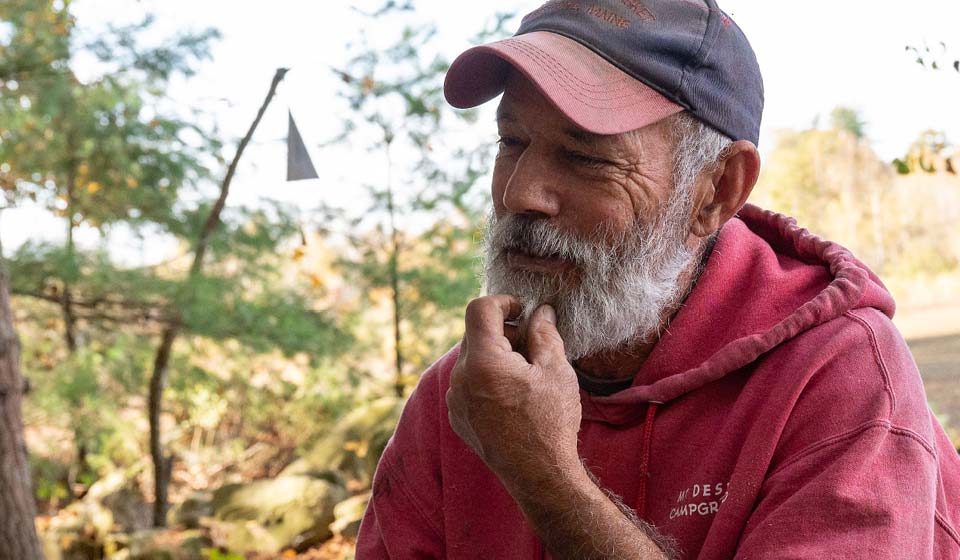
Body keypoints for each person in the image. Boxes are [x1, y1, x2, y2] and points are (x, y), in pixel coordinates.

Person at [356, 0, 960, 558]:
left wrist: (545, 479)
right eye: (510, 141)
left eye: (586, 156)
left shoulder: (839, 378)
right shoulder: (466, 396)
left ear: (714, 192)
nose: (518, 194)